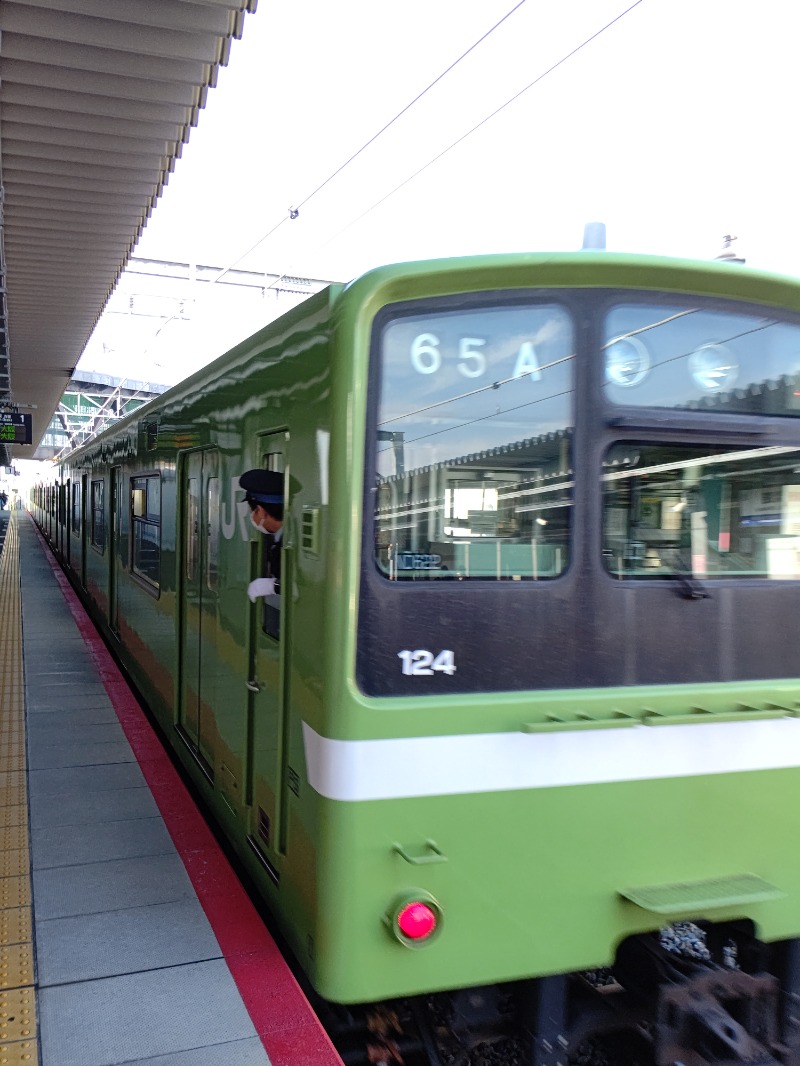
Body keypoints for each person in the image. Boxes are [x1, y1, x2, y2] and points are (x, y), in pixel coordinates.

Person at [239, 469, 283, 602]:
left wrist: (274, 586)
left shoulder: (287, 543)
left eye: (253, 511)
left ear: (261, 511)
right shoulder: (283, 538)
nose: (252, 516)